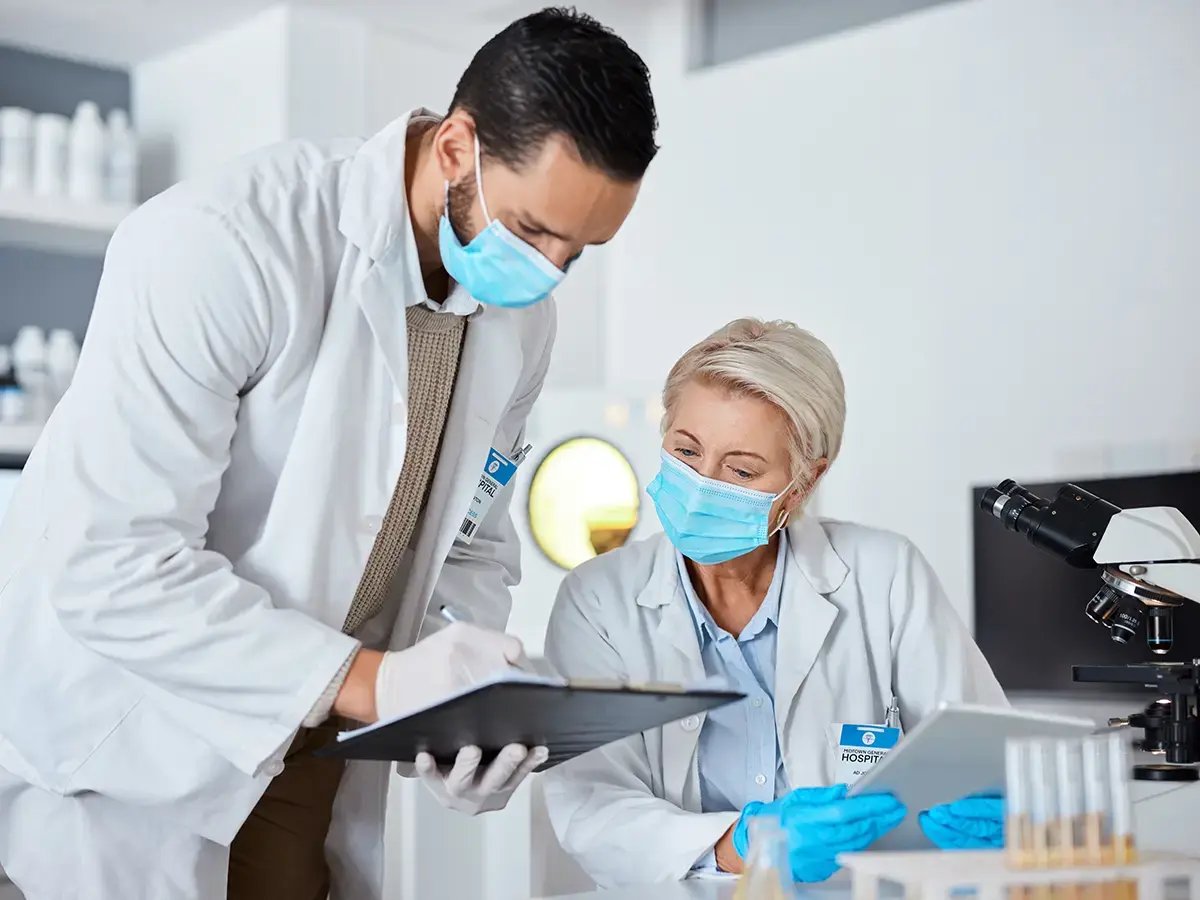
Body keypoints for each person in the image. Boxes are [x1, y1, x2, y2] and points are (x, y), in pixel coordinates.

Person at [0, 9, 657, 900]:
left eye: (580, 253)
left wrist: (459, 709)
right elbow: (110, 561)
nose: (549, 269)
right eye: (536, 232)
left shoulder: (522, 322)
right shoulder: (224, 240)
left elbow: (466, 543)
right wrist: (377, 682)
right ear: (457, 146)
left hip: (312, 746)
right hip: (132, 751)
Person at [541, 318, 1008, 888]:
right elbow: (593, 805)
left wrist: (1004, 804)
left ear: (806, 480)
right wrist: (743, 843)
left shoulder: (883, 574)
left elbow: (979, 747)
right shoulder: (598, 601)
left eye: (740, 470)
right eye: (686, 451)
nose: (702, 484)